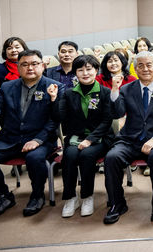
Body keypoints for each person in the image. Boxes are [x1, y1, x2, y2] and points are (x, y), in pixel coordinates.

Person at [0, 49, 62, 217]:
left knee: (35, 158)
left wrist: (38, 140)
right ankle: (3, 195)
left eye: (35, 64)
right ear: (18, 67)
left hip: (41, 139)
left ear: (43, 66)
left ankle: (37, 195)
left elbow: (55, 120)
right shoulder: (7, 87)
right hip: (9, 138)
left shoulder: (54, 86)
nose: (30, 68)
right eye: (24, 64)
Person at [103, 51, 153, 224]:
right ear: (135, 69)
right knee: (112, 157)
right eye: (140, 65)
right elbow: (118, 113)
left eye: (149, 65)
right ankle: (117, 203)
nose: (145, 69)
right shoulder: (126, 88)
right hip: (130, 138)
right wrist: (114, 90)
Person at [47, 55, 114, 218]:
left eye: (89, 69)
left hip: (100, 138)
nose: (85, 73)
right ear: (75, 73)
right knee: (69, 155)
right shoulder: (69, 93)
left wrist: (89, 139)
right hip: (76, 137)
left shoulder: (105, 92)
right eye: (80, 70)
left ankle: (87, 196)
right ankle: (70, 197)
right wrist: (54, 99)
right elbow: (59, 118)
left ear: (96, 70)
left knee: (87, 155)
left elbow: (107, 121)